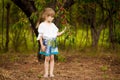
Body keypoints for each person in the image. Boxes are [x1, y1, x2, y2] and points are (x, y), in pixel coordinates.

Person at [37, 7, 66, 78]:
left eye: (53, 17)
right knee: (47, 58)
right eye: (51, 16)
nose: (52, 18)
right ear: (46, 16)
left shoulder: (53, 25)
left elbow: (56, 34)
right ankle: (46, 73)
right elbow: (40, 36)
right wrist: (42, 45)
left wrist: (63, 32)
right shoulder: (42, 25)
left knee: (52, 57)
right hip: (46, 42)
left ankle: (51, 73)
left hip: (53, 42)